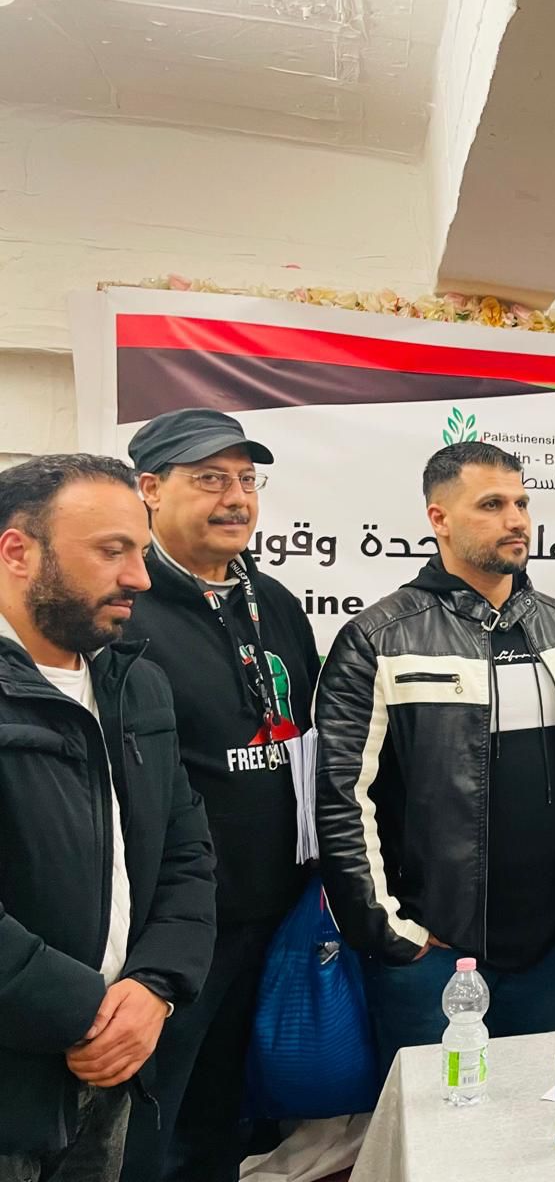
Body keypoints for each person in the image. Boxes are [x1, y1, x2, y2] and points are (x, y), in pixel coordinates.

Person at [316, 443, 555, 1073]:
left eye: (521, 503)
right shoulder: (379, 638)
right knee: (438, 1121)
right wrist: (392, 933)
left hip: (548, 946)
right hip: (433, 956)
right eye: (492, 505)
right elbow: (342, 800)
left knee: (534, 1111)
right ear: (439, 518)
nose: (516, 520)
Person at [0, 455, 214, 1179]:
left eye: (141, 552)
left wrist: (155, 988)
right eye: (111, 551)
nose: (140, 578)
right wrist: (88, 1014)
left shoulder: (137, 684)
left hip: (115, 1070)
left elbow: (187, 855)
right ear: (18, 552)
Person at [119, 410, 319, 1182]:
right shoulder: (125, 609)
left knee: (232, 1123)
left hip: (277, 916)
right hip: (174, 932)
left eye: (245, 479)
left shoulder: (276, 602)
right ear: (149, 489)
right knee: (153, 1130)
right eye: (209, 479)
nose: (235, 498)